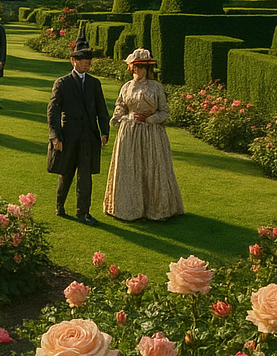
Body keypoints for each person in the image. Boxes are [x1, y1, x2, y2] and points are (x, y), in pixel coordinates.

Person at [103, 49, 184, 221]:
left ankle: (156, 209)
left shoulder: (156, 87)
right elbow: (120, 108)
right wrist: (126, 118)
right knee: (130, 168)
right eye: (135, 67)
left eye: (141, 68)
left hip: (152, 135)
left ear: (148, 69)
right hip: (130, 133)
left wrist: (151, 119)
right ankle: (129, 208)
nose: (137, 71)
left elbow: (165, 112)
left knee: (153, 168)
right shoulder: (126, 87)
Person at [46, 28, 110, 225]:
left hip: (88, 136)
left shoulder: (94, 83)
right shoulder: (62, 83)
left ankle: (83, 212)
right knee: (66, 174)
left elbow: (102, 109)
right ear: (73, 61)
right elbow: (53, 110)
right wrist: (55, 136)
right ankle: (59, 206)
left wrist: (104, 131)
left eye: (89, 59)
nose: (87, 62)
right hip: (68, 135)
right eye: (82, 59)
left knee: (85, 177)